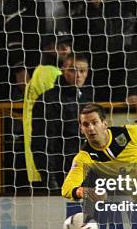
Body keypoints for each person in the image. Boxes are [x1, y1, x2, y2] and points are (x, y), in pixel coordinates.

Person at [82, 0, 137, 102]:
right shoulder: (85, 1)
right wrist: (92, 6)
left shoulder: (131, 0)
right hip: (96, 69)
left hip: (123, 67)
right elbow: (80, 30)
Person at [32, 54, 93, 189]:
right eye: (72, 70)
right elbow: (43, 142)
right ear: (63, 70)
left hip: (83, 172)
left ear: (87, 72)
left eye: (82, 71)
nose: (78, 75)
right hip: (61, 175)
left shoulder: (85, 99)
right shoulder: (48, 100)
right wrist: (50, 178)